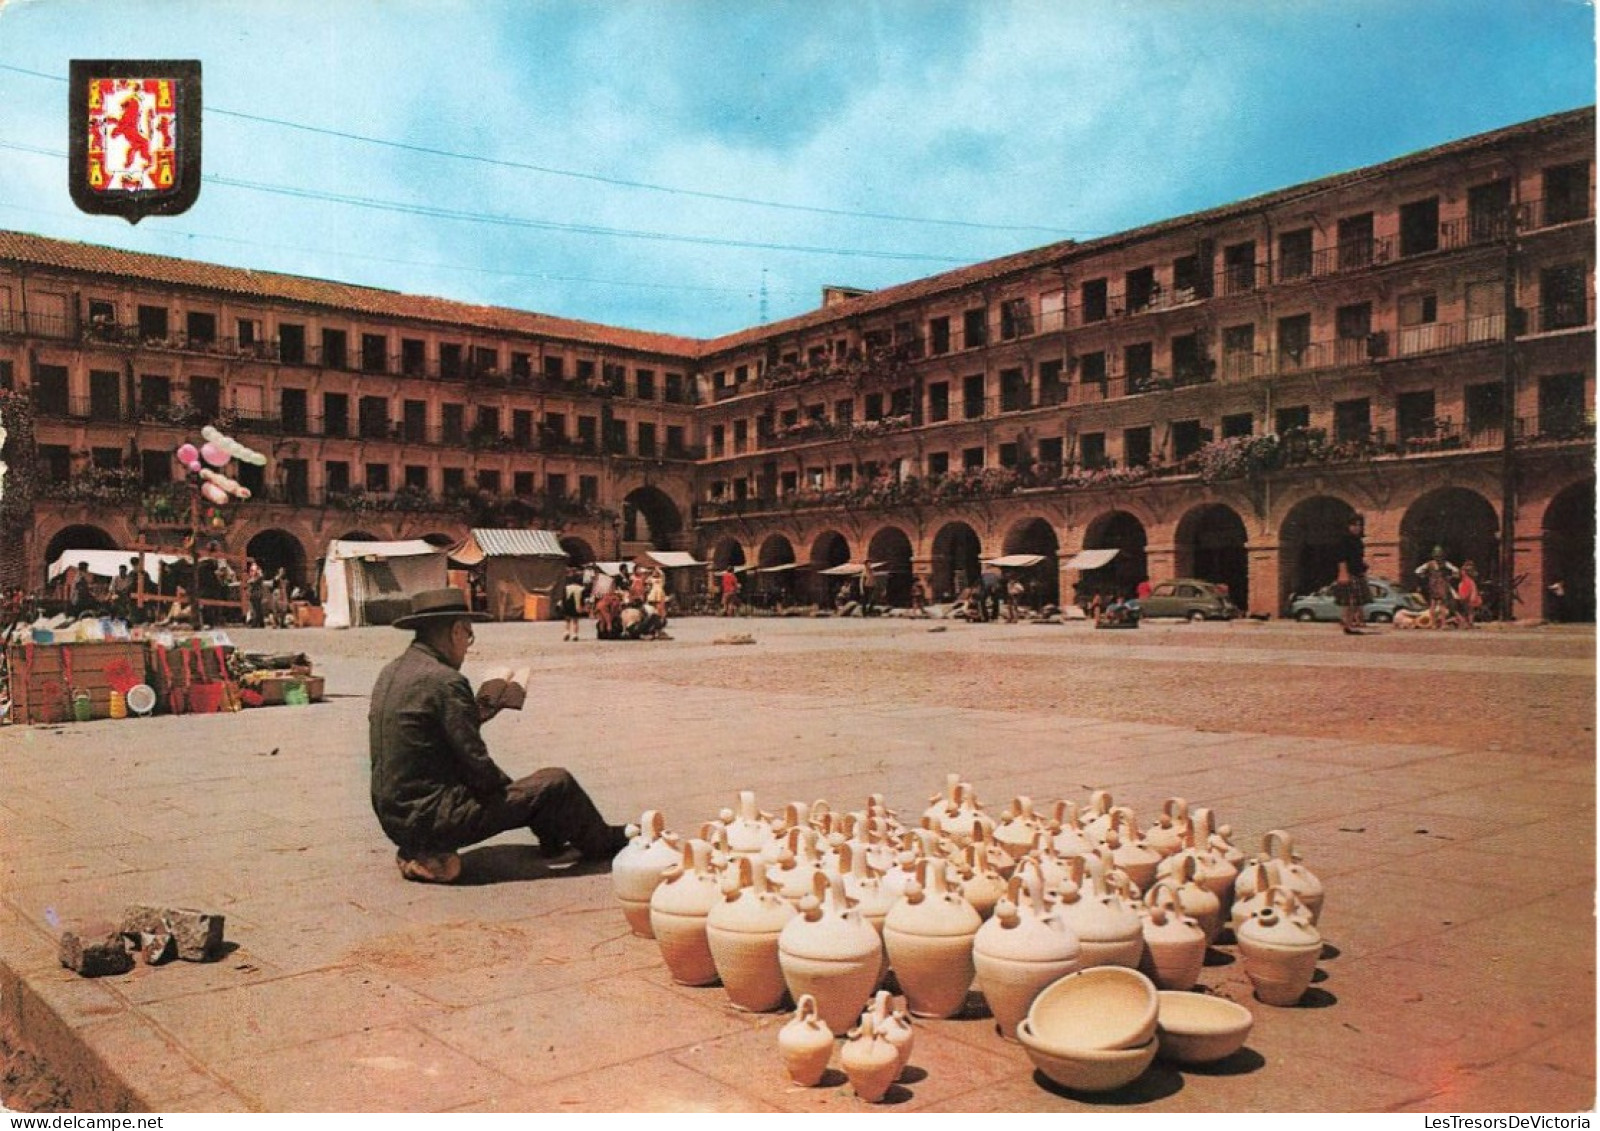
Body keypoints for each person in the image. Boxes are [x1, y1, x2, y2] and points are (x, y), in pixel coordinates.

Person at [368, 588, 627, 884]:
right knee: (556, 782)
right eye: (468, 637)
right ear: (456, 631)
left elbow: (427, 740)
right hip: (431, 818)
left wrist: (476, 715)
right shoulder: (445, 680)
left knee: (536, 793)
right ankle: (603, 841)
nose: (467, 647)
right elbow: (477, 765)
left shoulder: (391, 672)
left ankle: (426, 854)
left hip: (395, 817)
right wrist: (519, 796)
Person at [1336, 514, 1369, 635]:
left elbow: (1358, 558)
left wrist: (1363, 567)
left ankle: (1349, 623)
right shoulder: (1345, 540)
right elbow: (1341, 557)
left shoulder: (1358, 541)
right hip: (1349, 572)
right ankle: (1347, 624)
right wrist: (1343, 573)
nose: (1357, 527)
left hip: (1358, 572)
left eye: (1359, 525)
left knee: (1356, 600)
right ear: (1349, 526)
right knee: (1349, 600)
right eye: (1354, 525)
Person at [1414, 546, 1460, 630]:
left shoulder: (1429, 564)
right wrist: (1451, 576)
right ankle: (1442, 624)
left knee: (1433, 605)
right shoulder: (1445, 563)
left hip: (1432, 584)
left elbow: (1417, 571)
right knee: (1442, 605)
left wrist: (1424, 576)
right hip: (1442, 584)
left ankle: (1433, 624)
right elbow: (1455, 570)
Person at [1455, 561, 1483, 627]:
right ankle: (1466, 622)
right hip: (1465, 586)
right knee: (1466, 607)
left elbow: (1476, 575)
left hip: (1468, 585)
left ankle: (1470, 622)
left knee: (1470, 607)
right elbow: (1459, 575)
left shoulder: (1471, 574)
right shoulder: (1463, 571)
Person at [560, 568, 585, 642]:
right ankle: (575, 634)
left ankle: (567, 632)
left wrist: (563, 605)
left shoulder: (567, 588)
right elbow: (582, 599)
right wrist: (582, 606)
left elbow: (564, 597)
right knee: (575, 621)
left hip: (568, 605)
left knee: (567, 620)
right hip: (576, 606)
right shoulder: (581, 589)